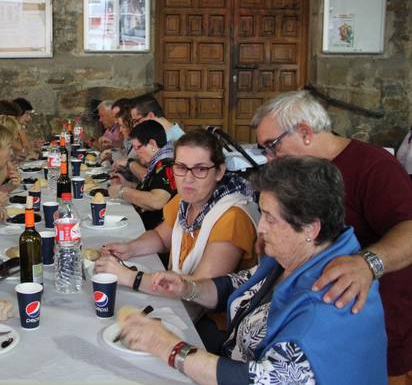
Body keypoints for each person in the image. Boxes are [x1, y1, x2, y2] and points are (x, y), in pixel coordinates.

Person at [119, 157, 387, 384]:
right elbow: (241, 285)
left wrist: (166, 346)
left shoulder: (331, 300)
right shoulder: (293, 259)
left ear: (310, 228)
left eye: (270, 218)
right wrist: (188, 287)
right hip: (231, 355)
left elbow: (259, 379)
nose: (260, 227)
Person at [252, 90, 412, 381]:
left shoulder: (373, 166)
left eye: (273, 146)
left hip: (370, 317)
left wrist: (368, 263)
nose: (270, 158)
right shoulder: (303, 175)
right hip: (313, 317)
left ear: (305, 132)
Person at [98, 129, 258, 293]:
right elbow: (161, 238)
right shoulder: (185, 200)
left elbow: (202, 287)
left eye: (200, 169)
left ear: (219, 172)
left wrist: (130, 277)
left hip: (207, 308)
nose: (188, 179)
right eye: (181, 167)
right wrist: (129, 248)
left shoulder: (233, 216)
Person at [108, 120, 177, 231]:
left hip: (154, 232)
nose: (136, 153)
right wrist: (127, 184)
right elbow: (151, 188)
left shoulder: (167, 165)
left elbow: (156, 201)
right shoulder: (159, 163)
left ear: (152, 144)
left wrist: (122, 191)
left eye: (138, 147)